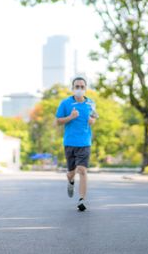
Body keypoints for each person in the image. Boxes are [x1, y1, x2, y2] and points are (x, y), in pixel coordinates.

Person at [56, 77, 98, 211]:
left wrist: (92, 121)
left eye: (82, 86)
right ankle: (70, 181)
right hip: (69, 142)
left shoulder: (91, 103)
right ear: (73, 88)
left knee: (82, 170)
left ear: (85, 88)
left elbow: (94, 117)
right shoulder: (65, 103)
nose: (79, 89)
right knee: (71, 172)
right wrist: (70, 117)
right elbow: (57, 121)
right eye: (77, 86)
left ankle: (82, 199)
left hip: (85, 142)